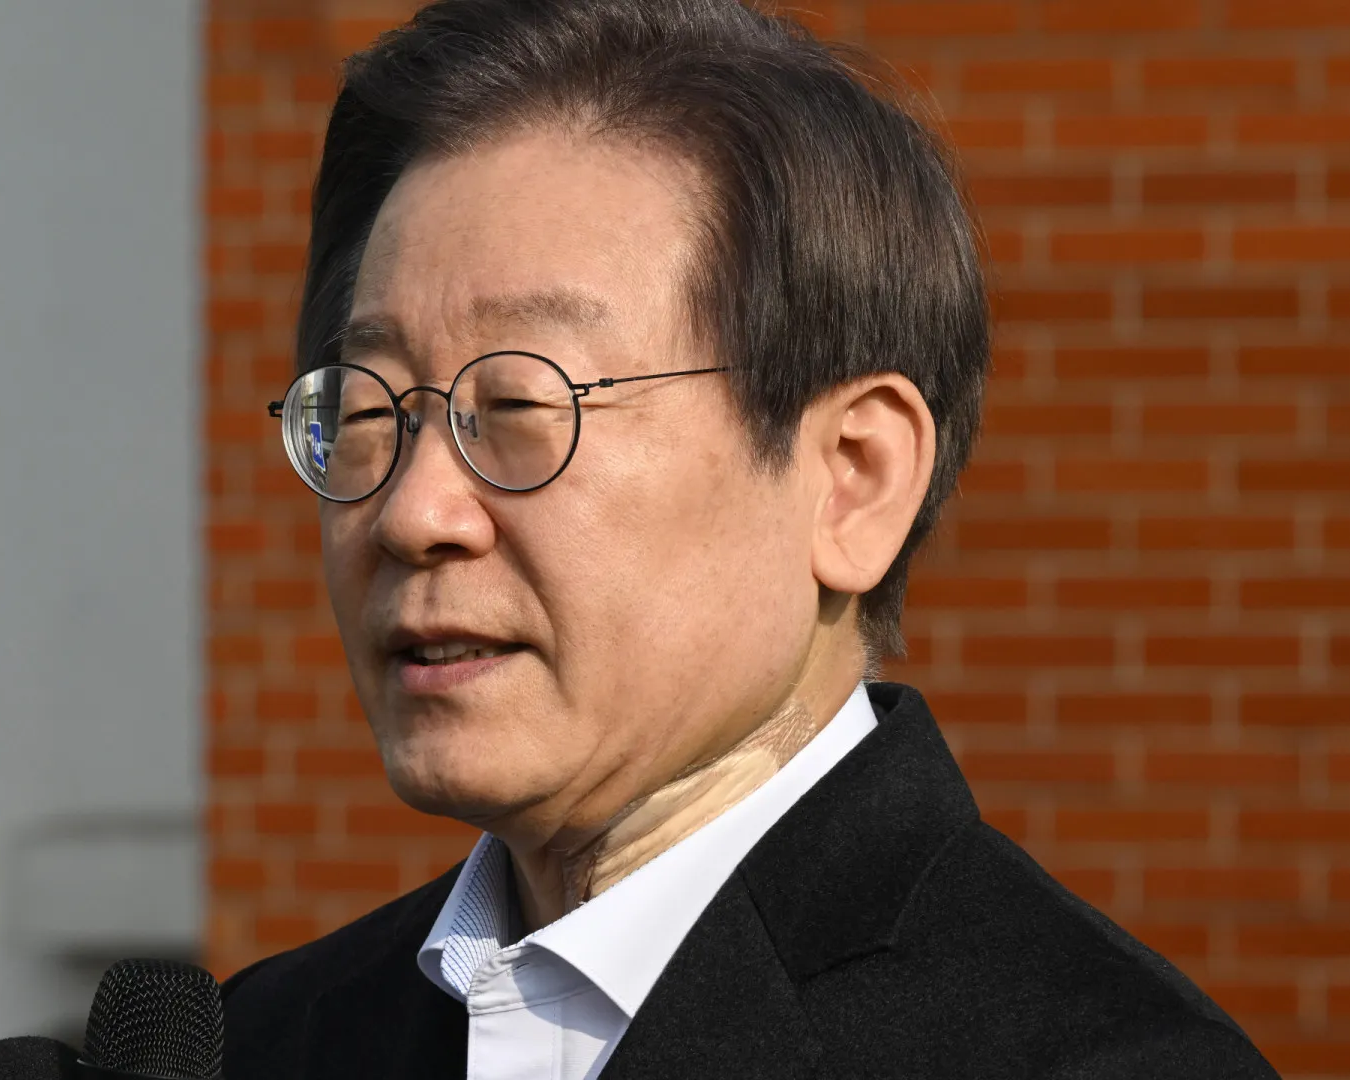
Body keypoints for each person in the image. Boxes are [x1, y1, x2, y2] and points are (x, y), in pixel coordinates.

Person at [224, 1, 1280, 1077]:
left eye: (521, 407)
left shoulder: (1096, 1060)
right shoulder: (260, 1040)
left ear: (853, 479)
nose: (414, 515)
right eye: (370, 410)